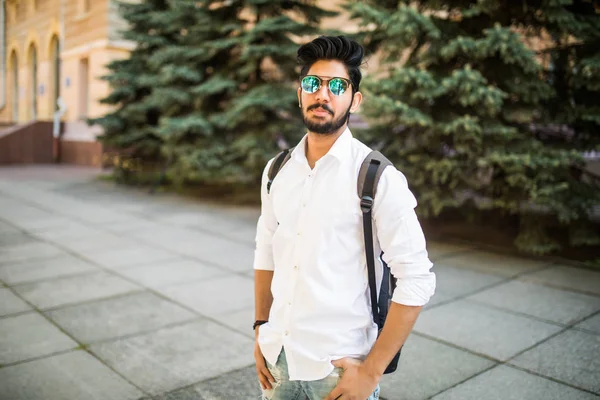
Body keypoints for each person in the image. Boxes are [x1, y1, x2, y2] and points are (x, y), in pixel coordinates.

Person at [253, 35, 436, 400]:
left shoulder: (377, 177)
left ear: (356, 99)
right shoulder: (277, 170)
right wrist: (261, 328)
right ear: (299, 92)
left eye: (338, 85)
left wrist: (371, 372)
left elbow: (416, 279)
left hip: (339, 370)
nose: (323, 94)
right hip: (278, 360)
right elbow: (266, 251)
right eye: (312, 83)